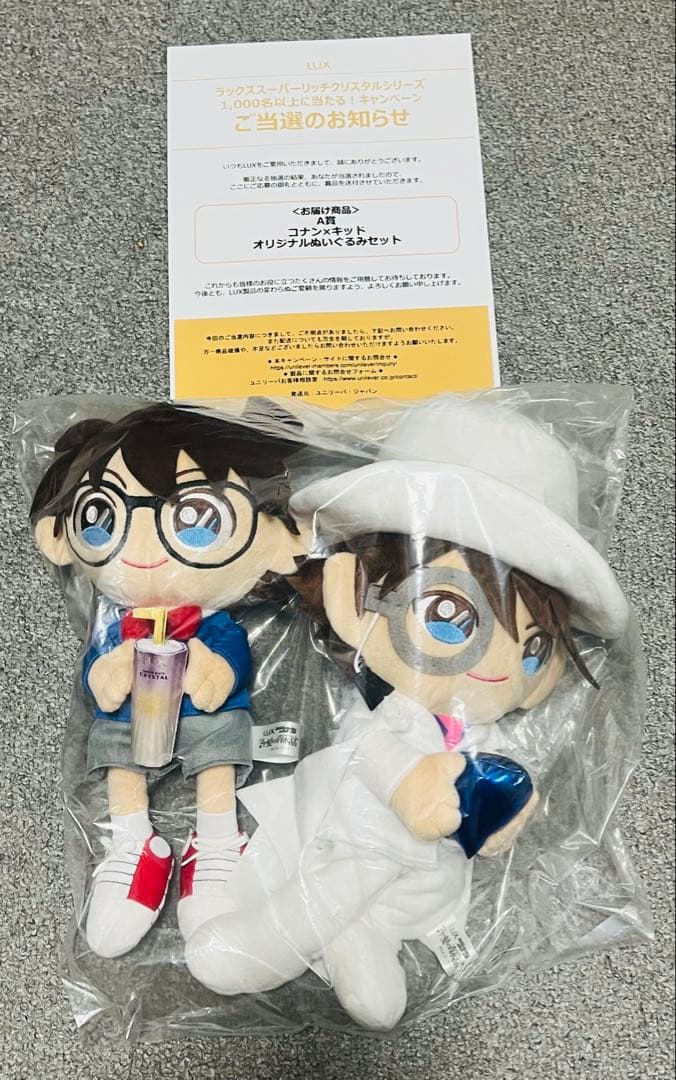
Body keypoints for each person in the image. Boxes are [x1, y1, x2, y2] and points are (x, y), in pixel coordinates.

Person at [185, 395, 629, 1030]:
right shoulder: (389, 716)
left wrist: (501, 812)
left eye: (533, 647)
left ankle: (362, 936)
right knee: (340, 886)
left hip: (421, 891)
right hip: (347, 851)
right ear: (353, 599)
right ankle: (275, 939)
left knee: (386, 955)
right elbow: (370, 751)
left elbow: (490, 796)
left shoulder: (480, 733)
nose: (499, 666)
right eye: (449, 615)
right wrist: (410, 784)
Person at [30, 400, 306, 957]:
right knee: (115, 742)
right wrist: (110, 671)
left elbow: (226, 667)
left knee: (222, 736)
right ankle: (134, 845)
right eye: (107, 515)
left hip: (205, 714)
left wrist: (209, 669)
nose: (145, 550)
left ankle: (218, 839)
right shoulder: (118, 627)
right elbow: (99, 674)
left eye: (196, 519)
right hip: (136, 714)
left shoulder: (215, 624)